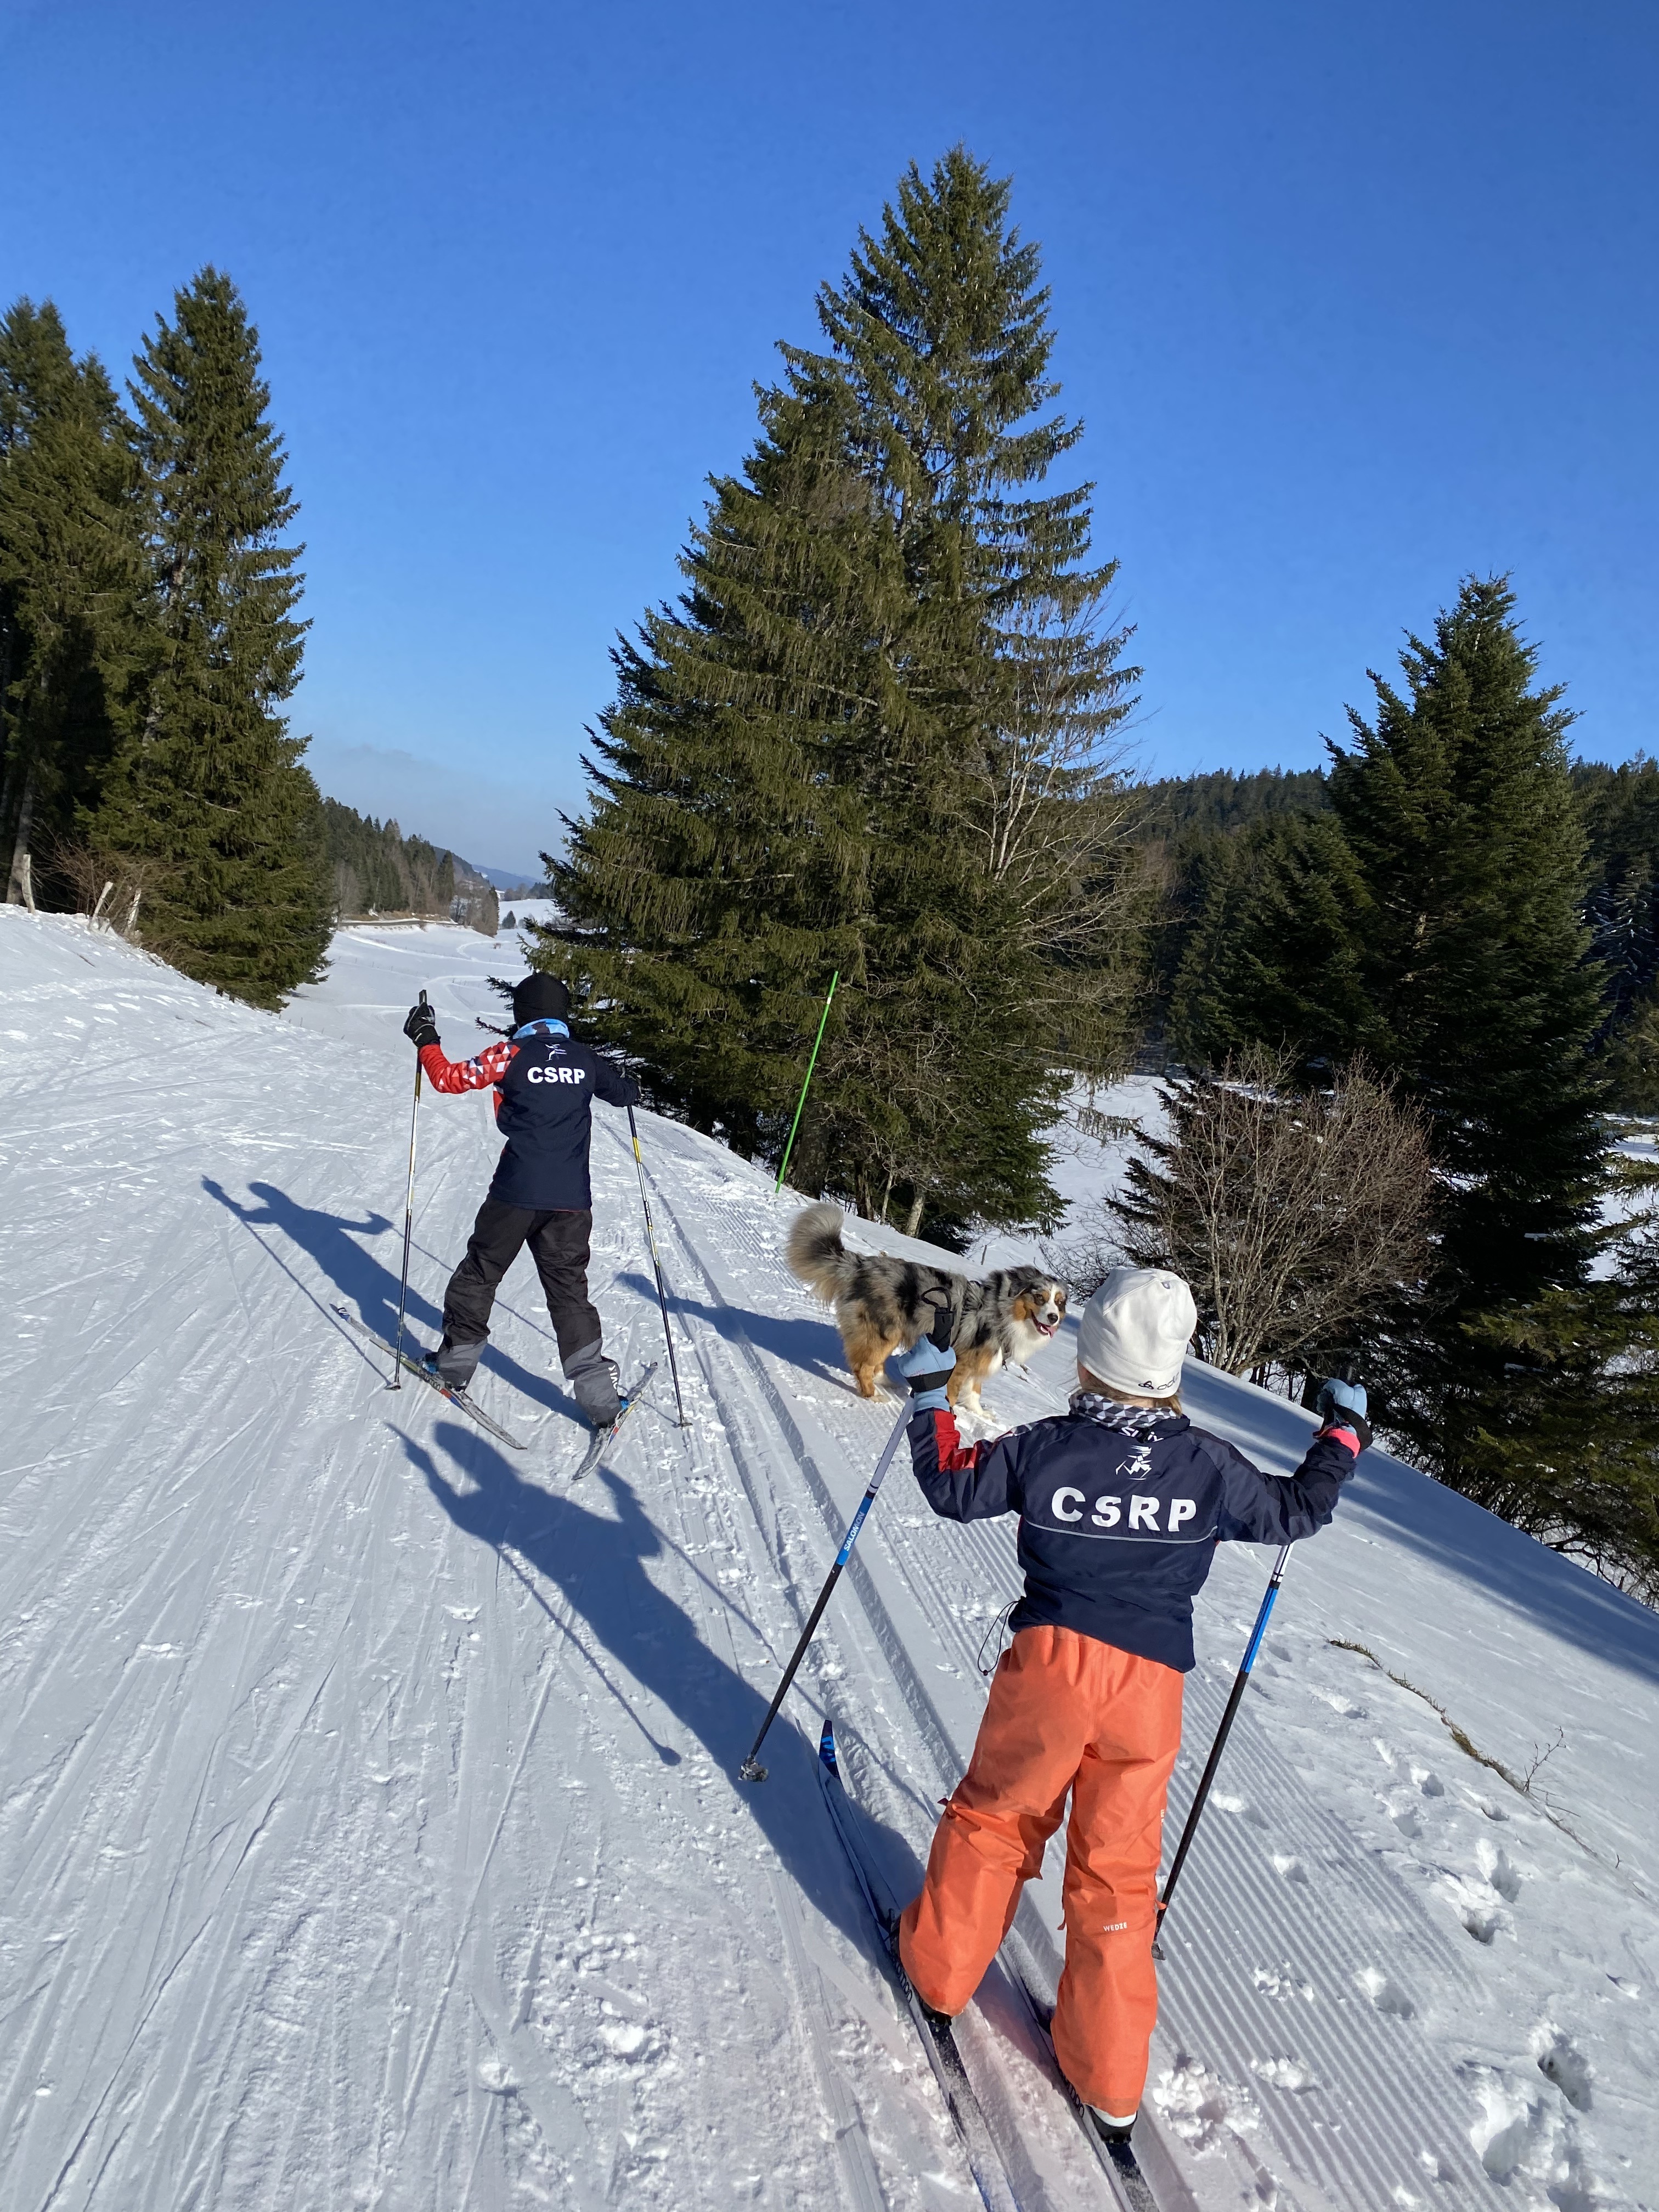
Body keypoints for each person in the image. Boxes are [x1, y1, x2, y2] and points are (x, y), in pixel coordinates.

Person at [892, 1265, 1369, 2144]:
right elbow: (1298, 1509)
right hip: (1149, 1690)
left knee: (1001, 1819)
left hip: (1052, 1671)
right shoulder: (1208, 1467)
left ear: (1088, 1364)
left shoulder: (1047, 1449)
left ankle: (940, 1973)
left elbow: (956, 1486)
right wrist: (1342, 1435)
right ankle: (1109, 2076)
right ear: (1175, 1372)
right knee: (1118, 1874)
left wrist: (929, 1401)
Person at [402, 973, 640, 1426]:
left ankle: (453, 1367)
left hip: (515, 1192)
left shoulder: (510, 1053)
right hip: (571, 1200)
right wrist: (628, 1081)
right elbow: (626, 1093)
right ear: (563, 1012)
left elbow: (449, 1080)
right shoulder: (585, 1059)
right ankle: (601, 1399)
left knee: (481, 1273)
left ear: (521, 1014)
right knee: (569, 1291)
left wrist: (426, 1037)